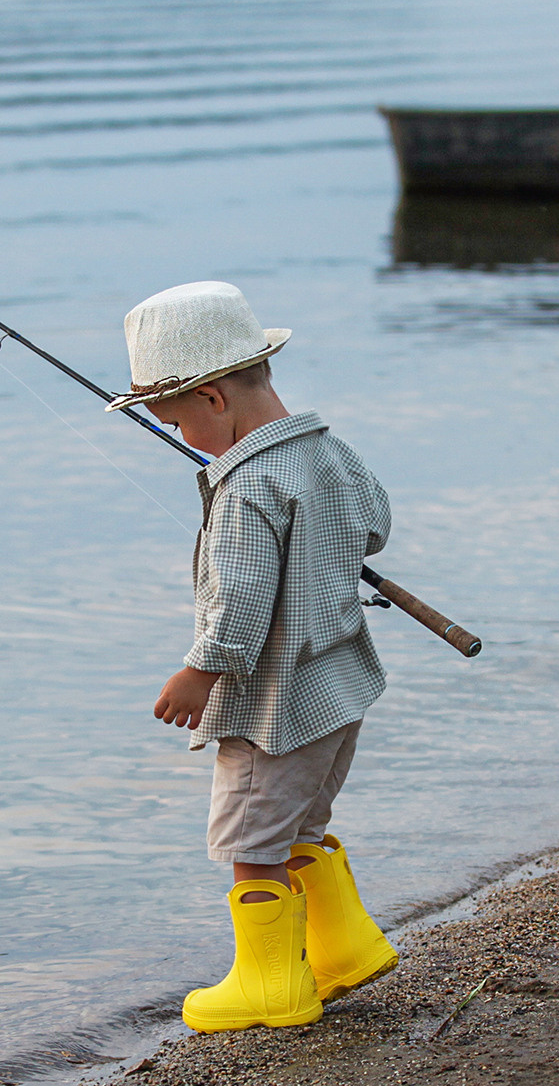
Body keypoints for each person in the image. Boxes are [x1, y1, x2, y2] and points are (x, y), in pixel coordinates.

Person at [107, 280, 399, 1032]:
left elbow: (237, 602)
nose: (178, 437)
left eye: (173, 421)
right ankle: (344, 949)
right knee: (300, 822)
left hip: (276, 705)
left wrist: (200, 671)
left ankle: (271, 987)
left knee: (251, 841)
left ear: (211, 399)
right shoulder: (329, 449)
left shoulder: (246, 487)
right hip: (340, 687)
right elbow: (376, 527)